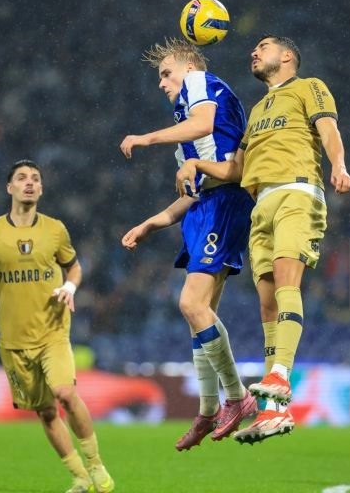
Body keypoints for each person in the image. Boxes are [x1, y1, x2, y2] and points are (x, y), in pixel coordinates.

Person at [176, 35, 350, 443]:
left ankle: (281, 376)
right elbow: (236, 168)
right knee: (268, 304)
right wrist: (195, 163)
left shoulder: (309, 87)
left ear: (287, 55)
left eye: (264, 46)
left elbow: (328, 129)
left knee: (288, 282)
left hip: (297, 191)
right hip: (261, 205)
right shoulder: (256, 111)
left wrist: (339, 165)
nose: (254, 52)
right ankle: (274, 411)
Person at [120, 37, 257, 451]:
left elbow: (207, 132)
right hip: (205, 207)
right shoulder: (188, 133)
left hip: (223, 205)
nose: (162, 83)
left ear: (188, 65)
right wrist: (151, 222)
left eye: (166, 73)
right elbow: (191, 192)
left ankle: (237, 397)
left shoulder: (200, 82)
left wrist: (145, 138)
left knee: (190, 305)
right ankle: (208, 409)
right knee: (202, 315)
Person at [0, 160, 114, 493]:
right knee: (47, 412)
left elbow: (75, 268)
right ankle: (80, 477)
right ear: (9, 187)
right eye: (21, 178)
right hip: (13, 341)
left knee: (66, 393)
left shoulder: (55, 229)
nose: (29, 183)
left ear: (41, 189)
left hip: (52, 330)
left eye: (35, 179)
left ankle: (96, 465)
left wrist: (70, 287)